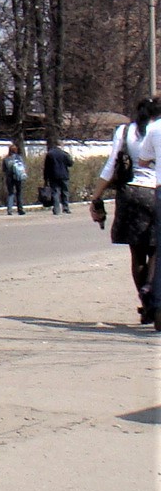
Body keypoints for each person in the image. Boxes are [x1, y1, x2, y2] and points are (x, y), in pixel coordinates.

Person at [93, 98, 159, 323]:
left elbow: (111, 165)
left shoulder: (124, 131)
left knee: (137, 253)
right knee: (157, 249)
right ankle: (152, 291)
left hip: (129, 194)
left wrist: (96, 196)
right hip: (156, 192)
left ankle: (145, 301)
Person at [41, 140, 73, 215]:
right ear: (61, 145)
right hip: (64, 175)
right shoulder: (65, 154)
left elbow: (46, 167)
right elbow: (70, 163)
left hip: (53, 176)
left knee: (55, 192)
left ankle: (56, 209)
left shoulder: (50, 154)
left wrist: (45, 178)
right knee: (65, 192)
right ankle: (66, 208)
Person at [1, 142, 28, 215]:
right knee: (19, 193)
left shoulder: (6, 159)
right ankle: (20, 209)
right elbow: (23, 167)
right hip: (18, 177)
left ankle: (9, 210)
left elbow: (3, 169)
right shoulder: (19, 158)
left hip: (9, 178)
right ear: (16, 150)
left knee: (11, 193)